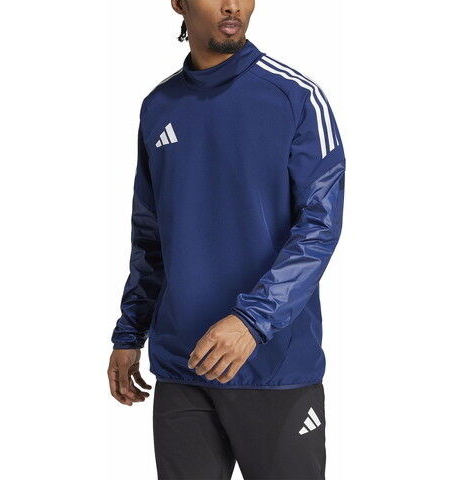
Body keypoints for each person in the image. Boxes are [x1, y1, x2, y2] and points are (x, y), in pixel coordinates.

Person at [107, 1, 346, 478]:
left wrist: (251, 322)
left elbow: (319, 227)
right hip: (182, 367)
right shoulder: (159, 107)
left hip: (273, 367)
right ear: (179, 3)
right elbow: (151, 233)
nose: (232, 4)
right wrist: (130, 332)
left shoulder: (296, 97)